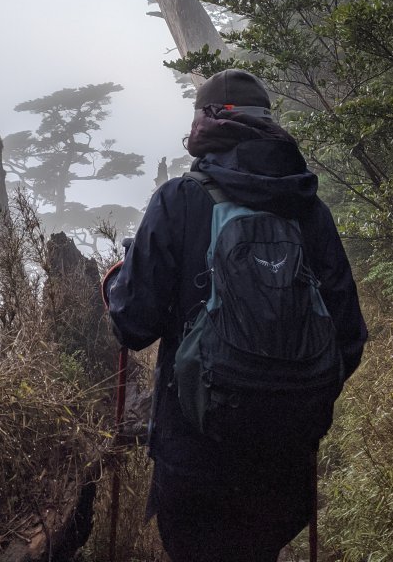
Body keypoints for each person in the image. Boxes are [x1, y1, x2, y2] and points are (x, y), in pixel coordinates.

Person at [107, 69, 368, 562]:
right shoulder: (307, 207)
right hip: (285, 462)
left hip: (195, 460)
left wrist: (117, 285)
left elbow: (133, 325)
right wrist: (291, 401)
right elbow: (347, 338)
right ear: (269, 124)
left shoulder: (179, 200)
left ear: (206, 123)